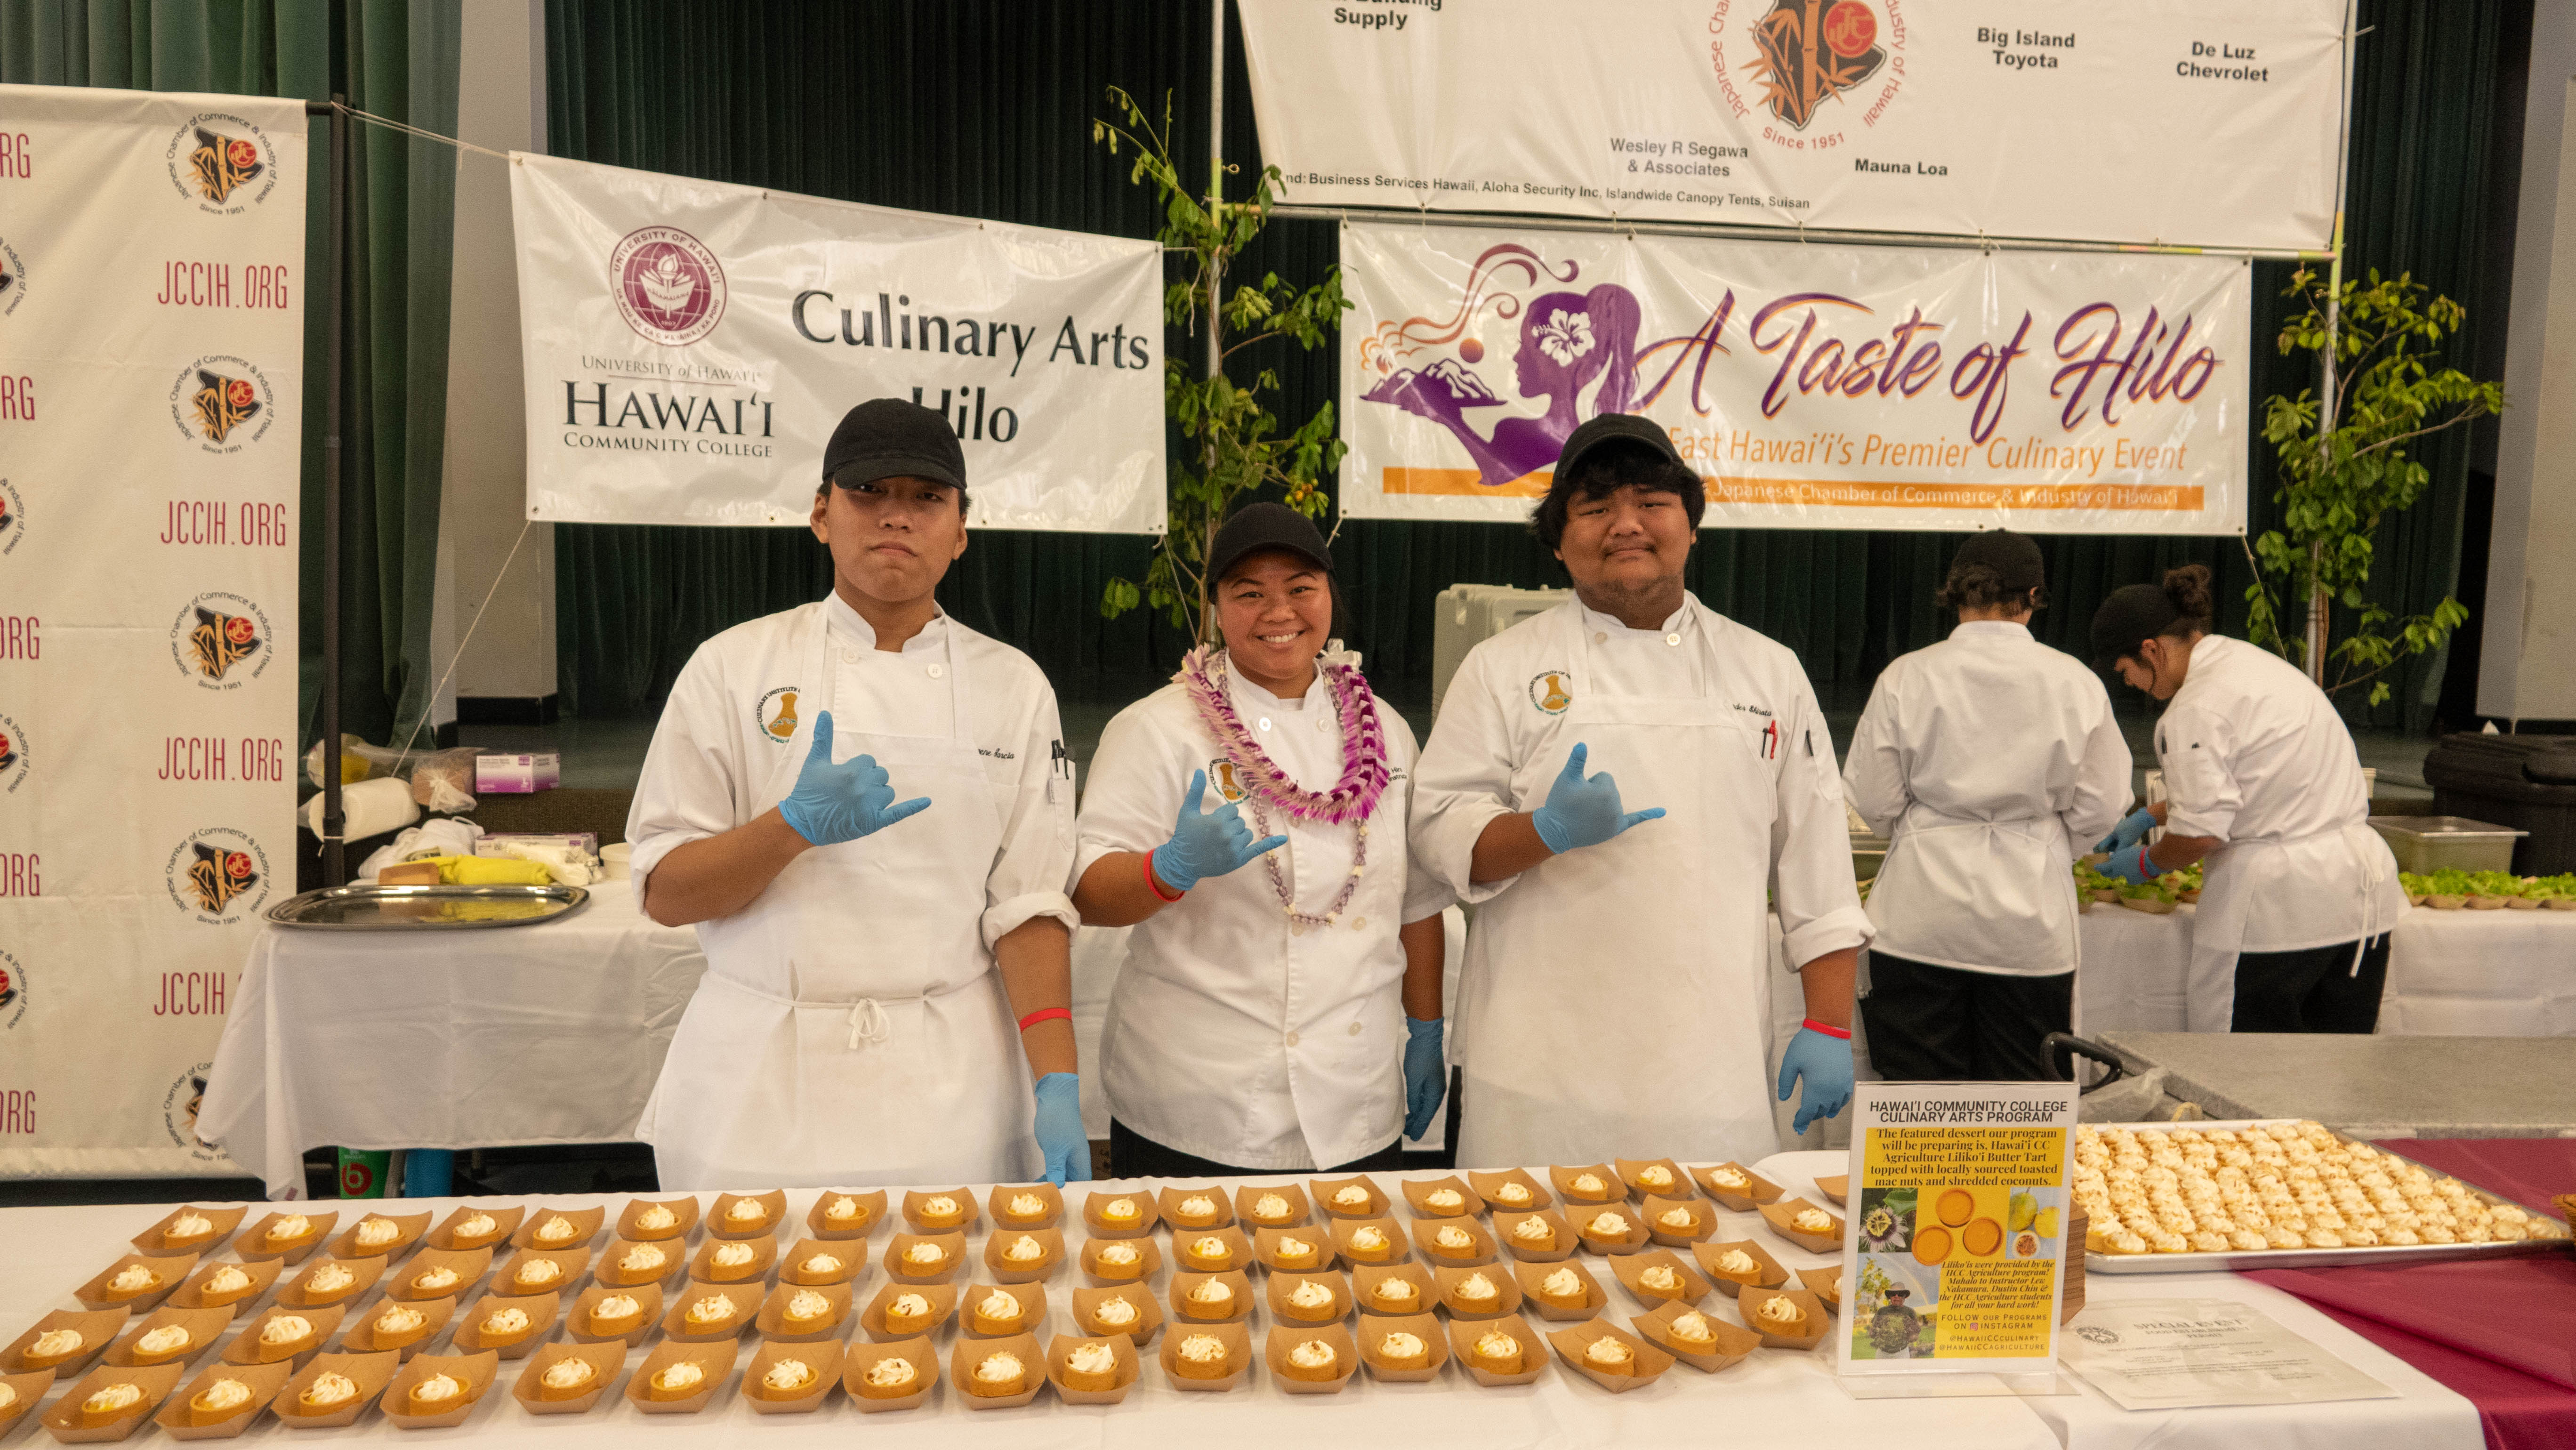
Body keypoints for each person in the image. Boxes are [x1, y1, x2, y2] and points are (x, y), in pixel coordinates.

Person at [625, 398, 1088, 1189]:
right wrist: (790, 829)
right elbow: (666, 893)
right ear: (820, 515)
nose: (894, 519)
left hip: (953, 1091)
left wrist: (1058, 1082)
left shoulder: (1014, 688)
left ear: (962, 531)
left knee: (957, 1309)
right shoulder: (731, 668)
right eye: (868, 494)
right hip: (754, 1089)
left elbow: (1029, 906)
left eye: (925, 499)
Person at [1409, 413, 1871, 1166]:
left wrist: (1827, 1026)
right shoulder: (1499, 668)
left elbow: (1819, 872)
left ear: (1692, 526)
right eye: (1594, 510)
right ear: (1559, 541)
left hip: (1709, 1076)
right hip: (1535, 1073)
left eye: (1651, 502)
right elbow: (1439, 838)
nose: (1626, 525)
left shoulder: (1768, 671)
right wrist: (1544, 832)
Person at [1070, 504, 1454, 1176]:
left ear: (1329, 595)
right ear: (1217, 609)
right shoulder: (1156, 730)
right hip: (1196, 1100)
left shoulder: (1385, 730)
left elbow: (1416, 902)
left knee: (1353, 1282)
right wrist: (1167, 870)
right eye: (1249, 593)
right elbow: (1088, 892)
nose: (1279, 611)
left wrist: (1427, 1031)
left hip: (1355, 1096)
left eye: (1300, 588)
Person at [1842, 532, 2131, 1081]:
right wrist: (2039, 840)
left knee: (1916, 1110)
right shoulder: (2075, 681)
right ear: (2035, 595)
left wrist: (1934, 829)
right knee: (2024, 1115)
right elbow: (2103, 805)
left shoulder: (1908, 674)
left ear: (1954, 593)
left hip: (1919, 918)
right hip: (2029, 927)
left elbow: (1875, 801)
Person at [2088, 564, 2405, 1033]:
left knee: (2251, 1076)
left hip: (2282, 913)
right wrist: (2152, 813)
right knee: (2339, 1071)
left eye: (2126, 671)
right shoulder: (2251, 664)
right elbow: (2261, 779)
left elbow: (2200, 835)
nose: (2132, 684)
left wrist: (2149, 862)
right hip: (2361, 905)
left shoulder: (2195, 706)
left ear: (2151, 650)